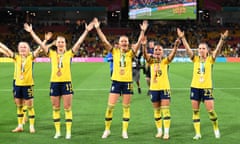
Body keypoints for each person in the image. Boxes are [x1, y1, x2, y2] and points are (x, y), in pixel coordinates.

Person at [24, 21, 94, 139]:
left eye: (63, 42)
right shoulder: (51, 54)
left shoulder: (69, 54)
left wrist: (86, 31)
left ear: (65, 44)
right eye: (59, 42)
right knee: (55, 108)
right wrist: (31, 32)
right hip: (54, 83)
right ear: (56, 44)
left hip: (66, 83)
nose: (61, 44)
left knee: (67, 108)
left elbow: (79, 42)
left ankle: (68, 132)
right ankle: (57, 132)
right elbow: (40, 43)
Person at [93, 17, 148, 139]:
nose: (124, 43)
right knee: (110, 106)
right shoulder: (114, 52)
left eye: (126, 41)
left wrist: (143, 31)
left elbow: (139, 42)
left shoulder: (130, 53)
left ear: (128, 43)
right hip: (116, 82)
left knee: (126, 107)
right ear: (118, 43)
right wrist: (97, 28)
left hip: (128, 83)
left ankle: (124, 131)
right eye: (122, 41)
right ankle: (107, 129)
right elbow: (104, 41)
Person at [177, 28, 228, 140]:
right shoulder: (195, 59)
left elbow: (218, 50)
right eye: (199, 48)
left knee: (211, 112)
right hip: (195, 88)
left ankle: (215, 128)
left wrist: (222, 40)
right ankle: (198, 133)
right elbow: (187, 49)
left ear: (207, 50)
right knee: (195, 112)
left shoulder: (210, 59)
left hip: (207, 88)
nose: (200, 50)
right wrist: (183, 38)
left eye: (203, 48)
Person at [0, 40, 44, 134]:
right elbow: (6, 49)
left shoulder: (31, 57)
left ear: (28, 49)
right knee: (19, 107)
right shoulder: (16, 57)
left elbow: (39, 48)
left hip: (28, 85)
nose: (23, 48)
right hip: (17, 85)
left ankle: (31, 126)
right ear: (18, 49)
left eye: (25, 47)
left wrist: (45, 40)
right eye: (21, 47)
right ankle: (20, 126)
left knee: (30, 107)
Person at [142, 36, 181, 140]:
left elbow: (172, 56)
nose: (158, 51)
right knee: (156, 111)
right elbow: (145, 55)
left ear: (163, 52)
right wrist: (143, 46)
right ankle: (159, 131)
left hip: (165, 88)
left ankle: (166, 132)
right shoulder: (151, 61)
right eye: (156, 50)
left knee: (166, 111)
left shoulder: (165, 61)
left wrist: (176, 46)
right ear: (153, 51)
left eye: (160, 50)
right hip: (154, 89)